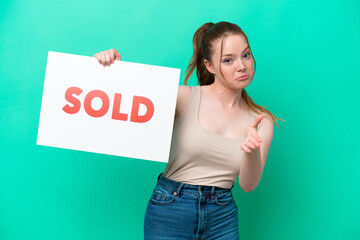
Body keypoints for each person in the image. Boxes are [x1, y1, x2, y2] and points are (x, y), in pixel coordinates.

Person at [94, 21, 283, 240]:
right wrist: (111, 69)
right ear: (209, 66)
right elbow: (125, 104)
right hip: (170, 209)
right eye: (228, 60)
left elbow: (248, 185)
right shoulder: (184, 97)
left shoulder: (262, 121)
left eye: (246, 55)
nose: (241, 66)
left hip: (222, 216)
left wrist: (250, 150)